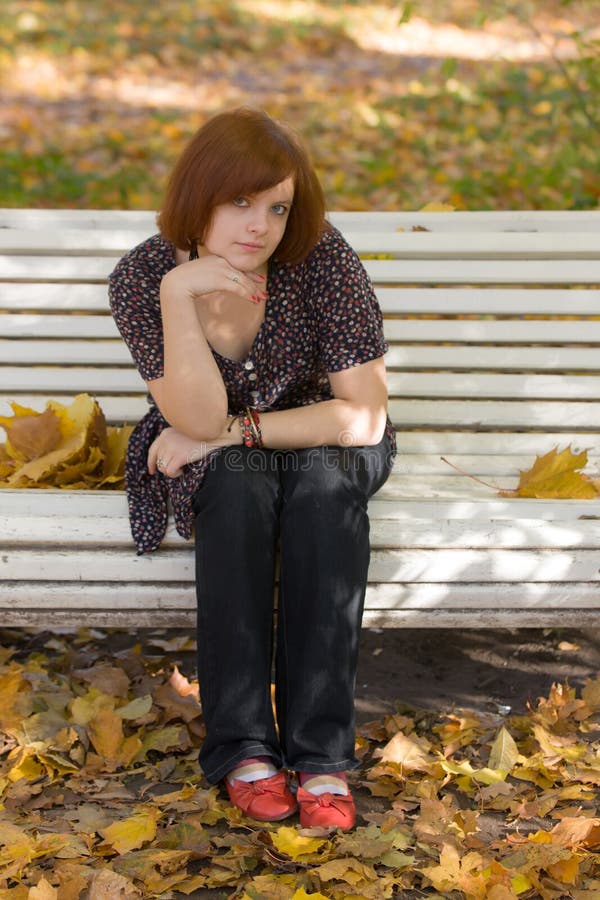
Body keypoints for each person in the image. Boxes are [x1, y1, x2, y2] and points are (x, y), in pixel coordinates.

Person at [109, 107, 396, 831]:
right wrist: (181, 296)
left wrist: (240, 430)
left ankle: (323, 757)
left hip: (321, 432)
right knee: (235, 491)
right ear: (197, 196)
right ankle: (243, 750)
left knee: (326, 491)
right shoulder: (146, 275)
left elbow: (361, 417)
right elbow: (195, 421)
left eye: (276, 206)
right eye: (238, 201)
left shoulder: (321, 258)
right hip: (215, 441)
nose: (259, 226)